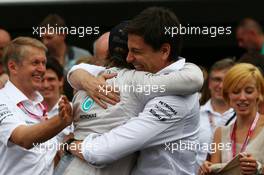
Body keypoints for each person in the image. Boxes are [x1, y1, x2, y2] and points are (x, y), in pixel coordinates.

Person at [68, 7, 203, 175]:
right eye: (128, 50)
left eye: (136, 51)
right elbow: (83, 70)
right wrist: (83, 78)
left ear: (164, 51)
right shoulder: (149, 78)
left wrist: (72, 144)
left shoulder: (176, 98)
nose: (128, 58)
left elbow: (103, 151)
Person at [0, 37, 73, 175]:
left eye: (43, 63)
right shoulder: (2, 100)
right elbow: (23, 139)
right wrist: (62, 120)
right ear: (13, 67)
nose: (42, 69)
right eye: (35, 63)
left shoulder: (39, 104)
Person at [199, 63, 264, 175]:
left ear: (259, 93)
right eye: (236, 92)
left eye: (249, 91)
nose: (242, 97)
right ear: (227, 95)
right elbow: (215, 170)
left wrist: (259, 169)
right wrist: (207, 169)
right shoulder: (220, 133)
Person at [196, 58, 235, 169]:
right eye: (217, 79)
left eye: (226, 80)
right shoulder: (194, 114)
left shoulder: (243, 117)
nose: (221, 86)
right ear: (209, 83)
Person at [40, 57, 73, 143]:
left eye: (51, 79)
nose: (46, 85)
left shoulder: (74, 109)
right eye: (41, 80)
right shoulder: (28, 110)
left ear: (61, 81)